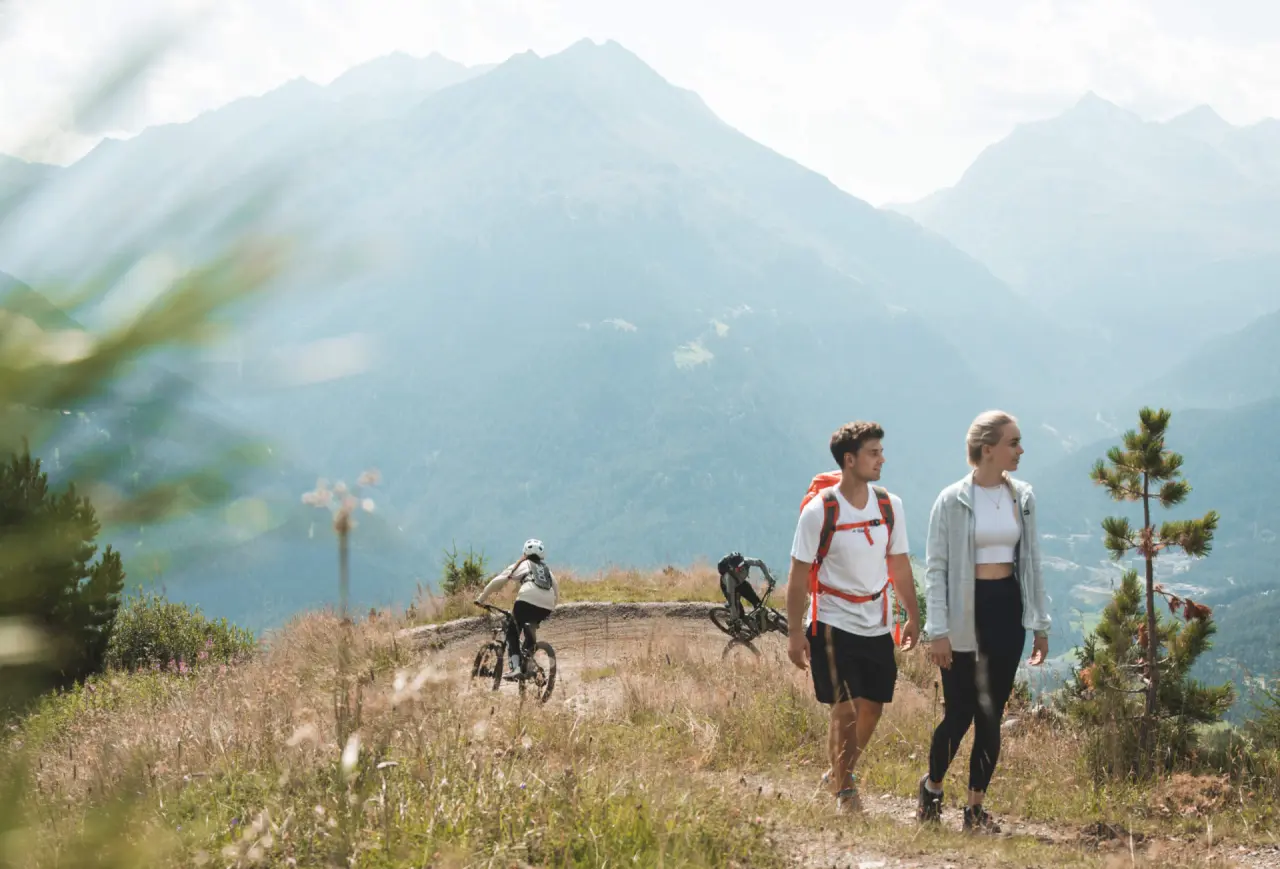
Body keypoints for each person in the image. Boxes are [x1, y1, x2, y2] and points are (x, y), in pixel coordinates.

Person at [916, 410, 1050, 832]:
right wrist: (936, 631)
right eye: (1014, 443)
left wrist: (1039, 624)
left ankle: (974, 810)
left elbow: (1032, 563)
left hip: (1006, 607)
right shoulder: (952, 499)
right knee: (960, 713)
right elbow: (935, 568)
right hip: (963, 611)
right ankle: (932, 789)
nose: (1021, 450)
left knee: (991, 713)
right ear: (987, 449)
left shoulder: (1022, 497)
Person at [786, 421, 921, 815]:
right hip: (831, 620)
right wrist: (795, 633)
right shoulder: (819, 511)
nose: (882, 459)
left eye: (880, 451)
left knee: (873, 706)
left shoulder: (889, 506)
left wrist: (911, 615)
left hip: (876, 619)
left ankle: (838, 771)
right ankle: (845, 790)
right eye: (873, 452)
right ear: (850, 460)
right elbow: (798, 577)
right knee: (843, 707)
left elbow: (899, 565)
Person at [474, 538, 559, 680]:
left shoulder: (523, 564)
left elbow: (498, 581)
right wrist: (547, 608)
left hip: (526, 599)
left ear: (525, 552)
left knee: (512, 630)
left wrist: (481, 599)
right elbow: (556, 594)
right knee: (529, 628)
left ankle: (516, 668)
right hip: (547, 605)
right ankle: (529, 662)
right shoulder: (548, 571)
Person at [716, 551, 775, 630]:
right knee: (738, 613)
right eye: (737, 567)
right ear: (732, 568)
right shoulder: (729, 578)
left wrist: (769, 578)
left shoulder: (746, 561)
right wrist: (734, 615)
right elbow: (731, 601)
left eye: (741, 565)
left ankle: (762, 622)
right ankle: (735, 627)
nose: (740, 568)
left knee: (757, 603)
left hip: (741, 583)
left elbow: (760, 563)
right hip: (729, 587)